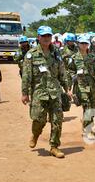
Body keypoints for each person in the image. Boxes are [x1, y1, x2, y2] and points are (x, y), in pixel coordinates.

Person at [21, 26, 67, 158]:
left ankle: (54, 146)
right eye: (44, 36)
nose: (47, 38)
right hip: (39, 93)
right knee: (38, 119)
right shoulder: (31, 54)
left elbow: (62, 72)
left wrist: (67, 88)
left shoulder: (57, 53)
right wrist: (25, 93)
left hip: (55, 92)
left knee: (57, 120)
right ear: (38, 38)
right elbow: (26, 76)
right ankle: (35, 134)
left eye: (49, 36)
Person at [72, 36, 95, 140]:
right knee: (87, 107)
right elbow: (69, 70)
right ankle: (88, 130)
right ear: (78, 44)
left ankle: (86, 124)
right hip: (81, 86)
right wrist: (73, 76)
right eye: (82, 43)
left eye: (86, 43)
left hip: (92, 86)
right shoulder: (74, 58)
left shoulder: (92, 57)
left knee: (93, 109)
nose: (84, 45)